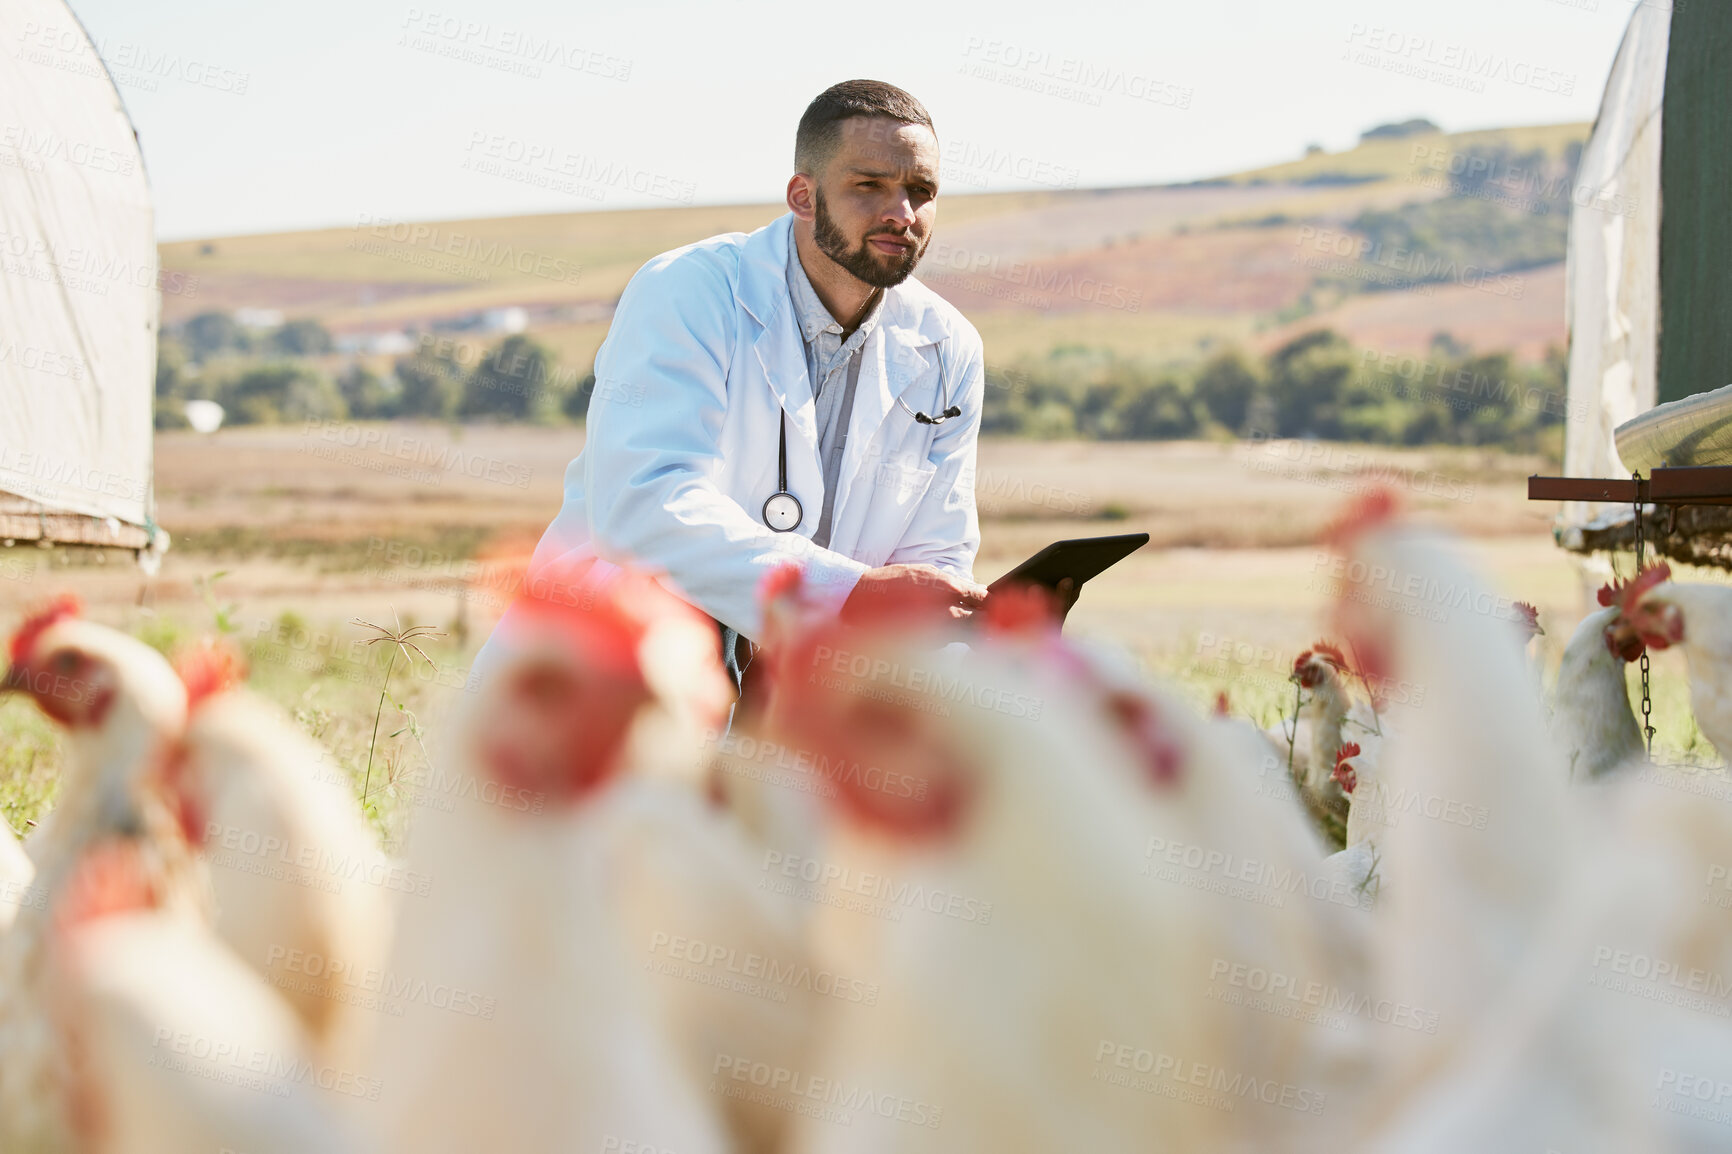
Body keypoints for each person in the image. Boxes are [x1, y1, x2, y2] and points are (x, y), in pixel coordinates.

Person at [510, 79, 990, 701]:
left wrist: (962, 616)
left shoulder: (949, 344)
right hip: (619, 678)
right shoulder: (688, 289)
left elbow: (938, 550)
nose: (902, 212)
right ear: (803, 195)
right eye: (869, 185)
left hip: (807, 699)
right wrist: (848, 596)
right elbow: (644, 505)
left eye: (921, 191)